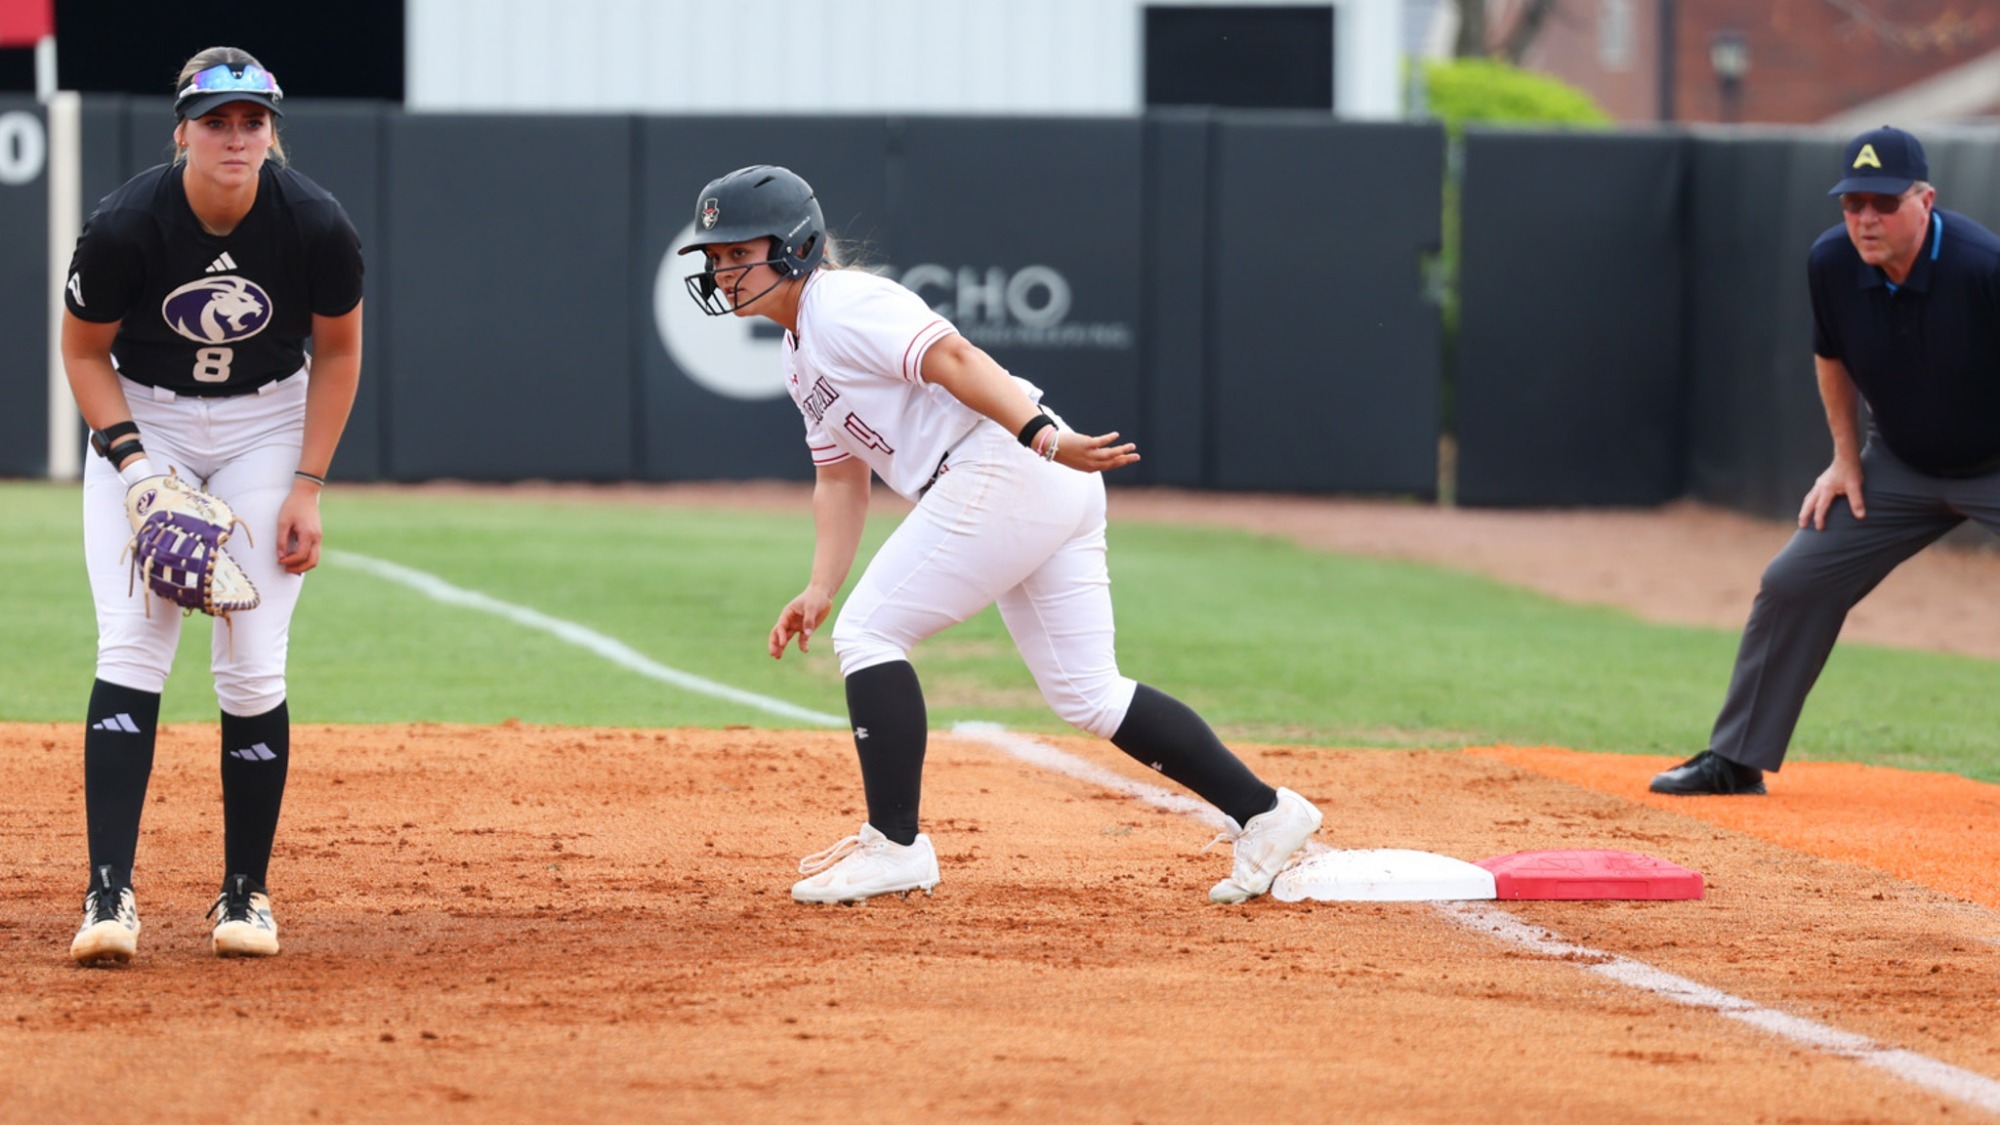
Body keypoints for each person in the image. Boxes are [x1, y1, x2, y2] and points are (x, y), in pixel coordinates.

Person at [677, 165, 1322, 904]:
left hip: (1005, 465)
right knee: (1089, 694)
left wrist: (1043, 437)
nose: (724, 271)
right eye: (716, 258)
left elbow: (953, 357)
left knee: (870, 634)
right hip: (1021, 480)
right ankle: (1268, 813)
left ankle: (895, 845)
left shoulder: (841, 303)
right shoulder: (799, 351)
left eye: (739, 252)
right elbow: (841, 478)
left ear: (794, 245)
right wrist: (820, 584)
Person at [61, 46, 364, 961]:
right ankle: (108, 896)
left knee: (252, 658)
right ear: (183, 130)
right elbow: (84, 355)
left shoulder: (315, 223)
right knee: (132, 643)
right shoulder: (125, 225)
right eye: (217, 121)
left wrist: (307, 484)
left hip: (266, 425)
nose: (236, 137)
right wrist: (134, 468)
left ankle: (246, 895)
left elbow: (339, 355)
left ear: (272, 132)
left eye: (252, 121)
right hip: (145, 417)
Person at [1652, 125, 2000, 796]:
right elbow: (1831, 356)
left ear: (1926, 199)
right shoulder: (1832, 262)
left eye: (1883, 201)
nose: (1865, 218)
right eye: (1852, 202)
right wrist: (1844, 458)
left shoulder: (1983, 267)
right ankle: (1736, 757)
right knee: (1793, 580)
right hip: (1897, 465)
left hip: (1993, 461)